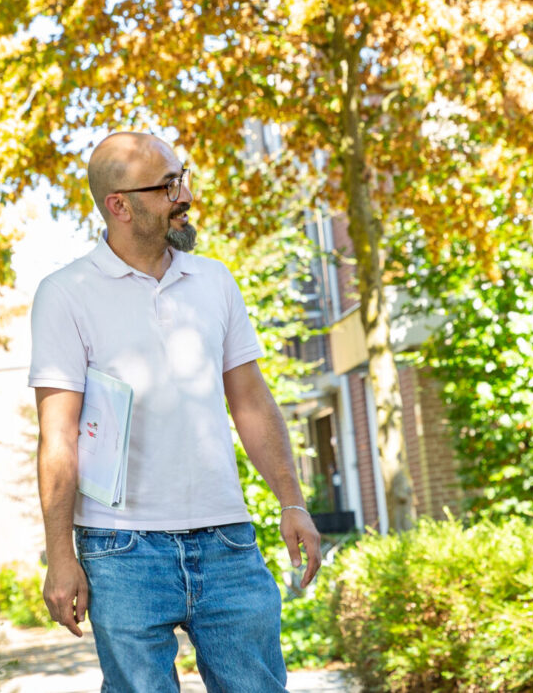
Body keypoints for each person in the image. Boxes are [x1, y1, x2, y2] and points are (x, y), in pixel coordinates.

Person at [29, 131, 322, 692]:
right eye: (167, 186)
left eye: (181, 177)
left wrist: (292, 502)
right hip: (122, 552)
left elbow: (252, 403)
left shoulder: (214, 280)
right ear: (120, 205)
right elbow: (58, 437)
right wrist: (60, 557)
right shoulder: (66, 294)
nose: (183, 195)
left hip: (228, 543)